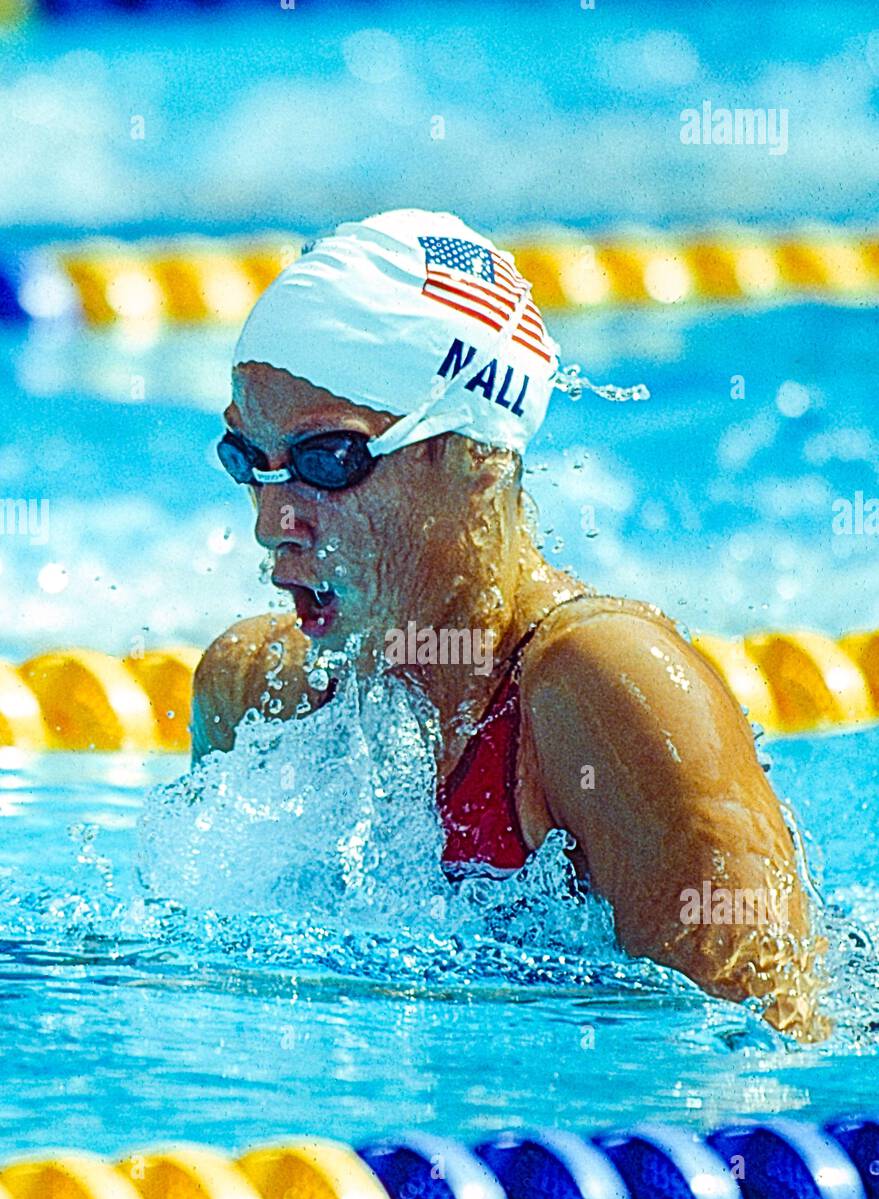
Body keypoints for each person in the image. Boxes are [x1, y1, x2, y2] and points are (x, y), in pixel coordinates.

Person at [192, 209, 827, 1040]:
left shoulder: (606, 689)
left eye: (327, 461)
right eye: (250, 461)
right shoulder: (256, 692)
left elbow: (758, 1056)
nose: (272, 520)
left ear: (474, 454)